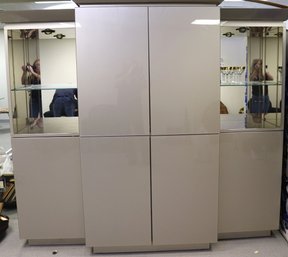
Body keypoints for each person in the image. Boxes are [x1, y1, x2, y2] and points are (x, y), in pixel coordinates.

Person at [21, 59, 43, 128]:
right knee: (34, 117)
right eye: (37, 65)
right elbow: (23, 82)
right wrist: (24, 72)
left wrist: (32, 72)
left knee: (42, 118)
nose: (39, 66)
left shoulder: (44, 74)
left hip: (43, 98)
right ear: (34, 67)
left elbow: (41, 78)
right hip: (34, 99)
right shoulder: (32, 77)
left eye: (40, 64)